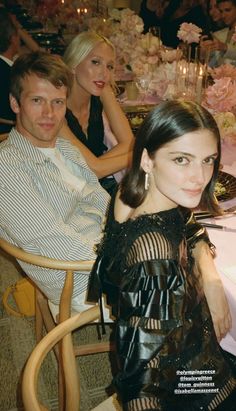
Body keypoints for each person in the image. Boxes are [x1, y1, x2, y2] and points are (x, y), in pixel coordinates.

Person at [87, 100, 236, 410]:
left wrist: (209, 275)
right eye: (182, 159)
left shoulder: (131, 194)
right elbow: (141, 383)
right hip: (195, 388)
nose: (200, 177)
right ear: (147, 159)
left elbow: (186, 220)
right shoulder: (154, 255)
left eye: (208, 160)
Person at [0, 51, 110, 315]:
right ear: (15, 103)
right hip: (83, 280)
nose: (49, 113)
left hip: (103, 250)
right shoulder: (8, 169)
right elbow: (54, 242)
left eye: (58, 102)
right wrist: (126, 262)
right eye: (37, 100)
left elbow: (100, 198)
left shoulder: (66, 149)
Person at [61, 31, 134, 195]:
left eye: (109, 66)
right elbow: (95, 170)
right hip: (67, 195)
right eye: (95, 62)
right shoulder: (55, 107)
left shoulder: (101, 91)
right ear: (73, 64)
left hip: (96, 187)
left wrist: (95, 166)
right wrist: (139, 156)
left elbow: (128, 142)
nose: (104, 73)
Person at [0, 8, 40, 135]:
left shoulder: (8, 64)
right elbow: (41, 56)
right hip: (12, 133)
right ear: (13, 38)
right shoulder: (16, 76)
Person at [201, 0, 236, 66]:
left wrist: (226, 48)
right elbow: (212, 64)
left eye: (227, 10)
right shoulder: (218, 34)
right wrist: (203, 52)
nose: (223, 15)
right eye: (221, 11)